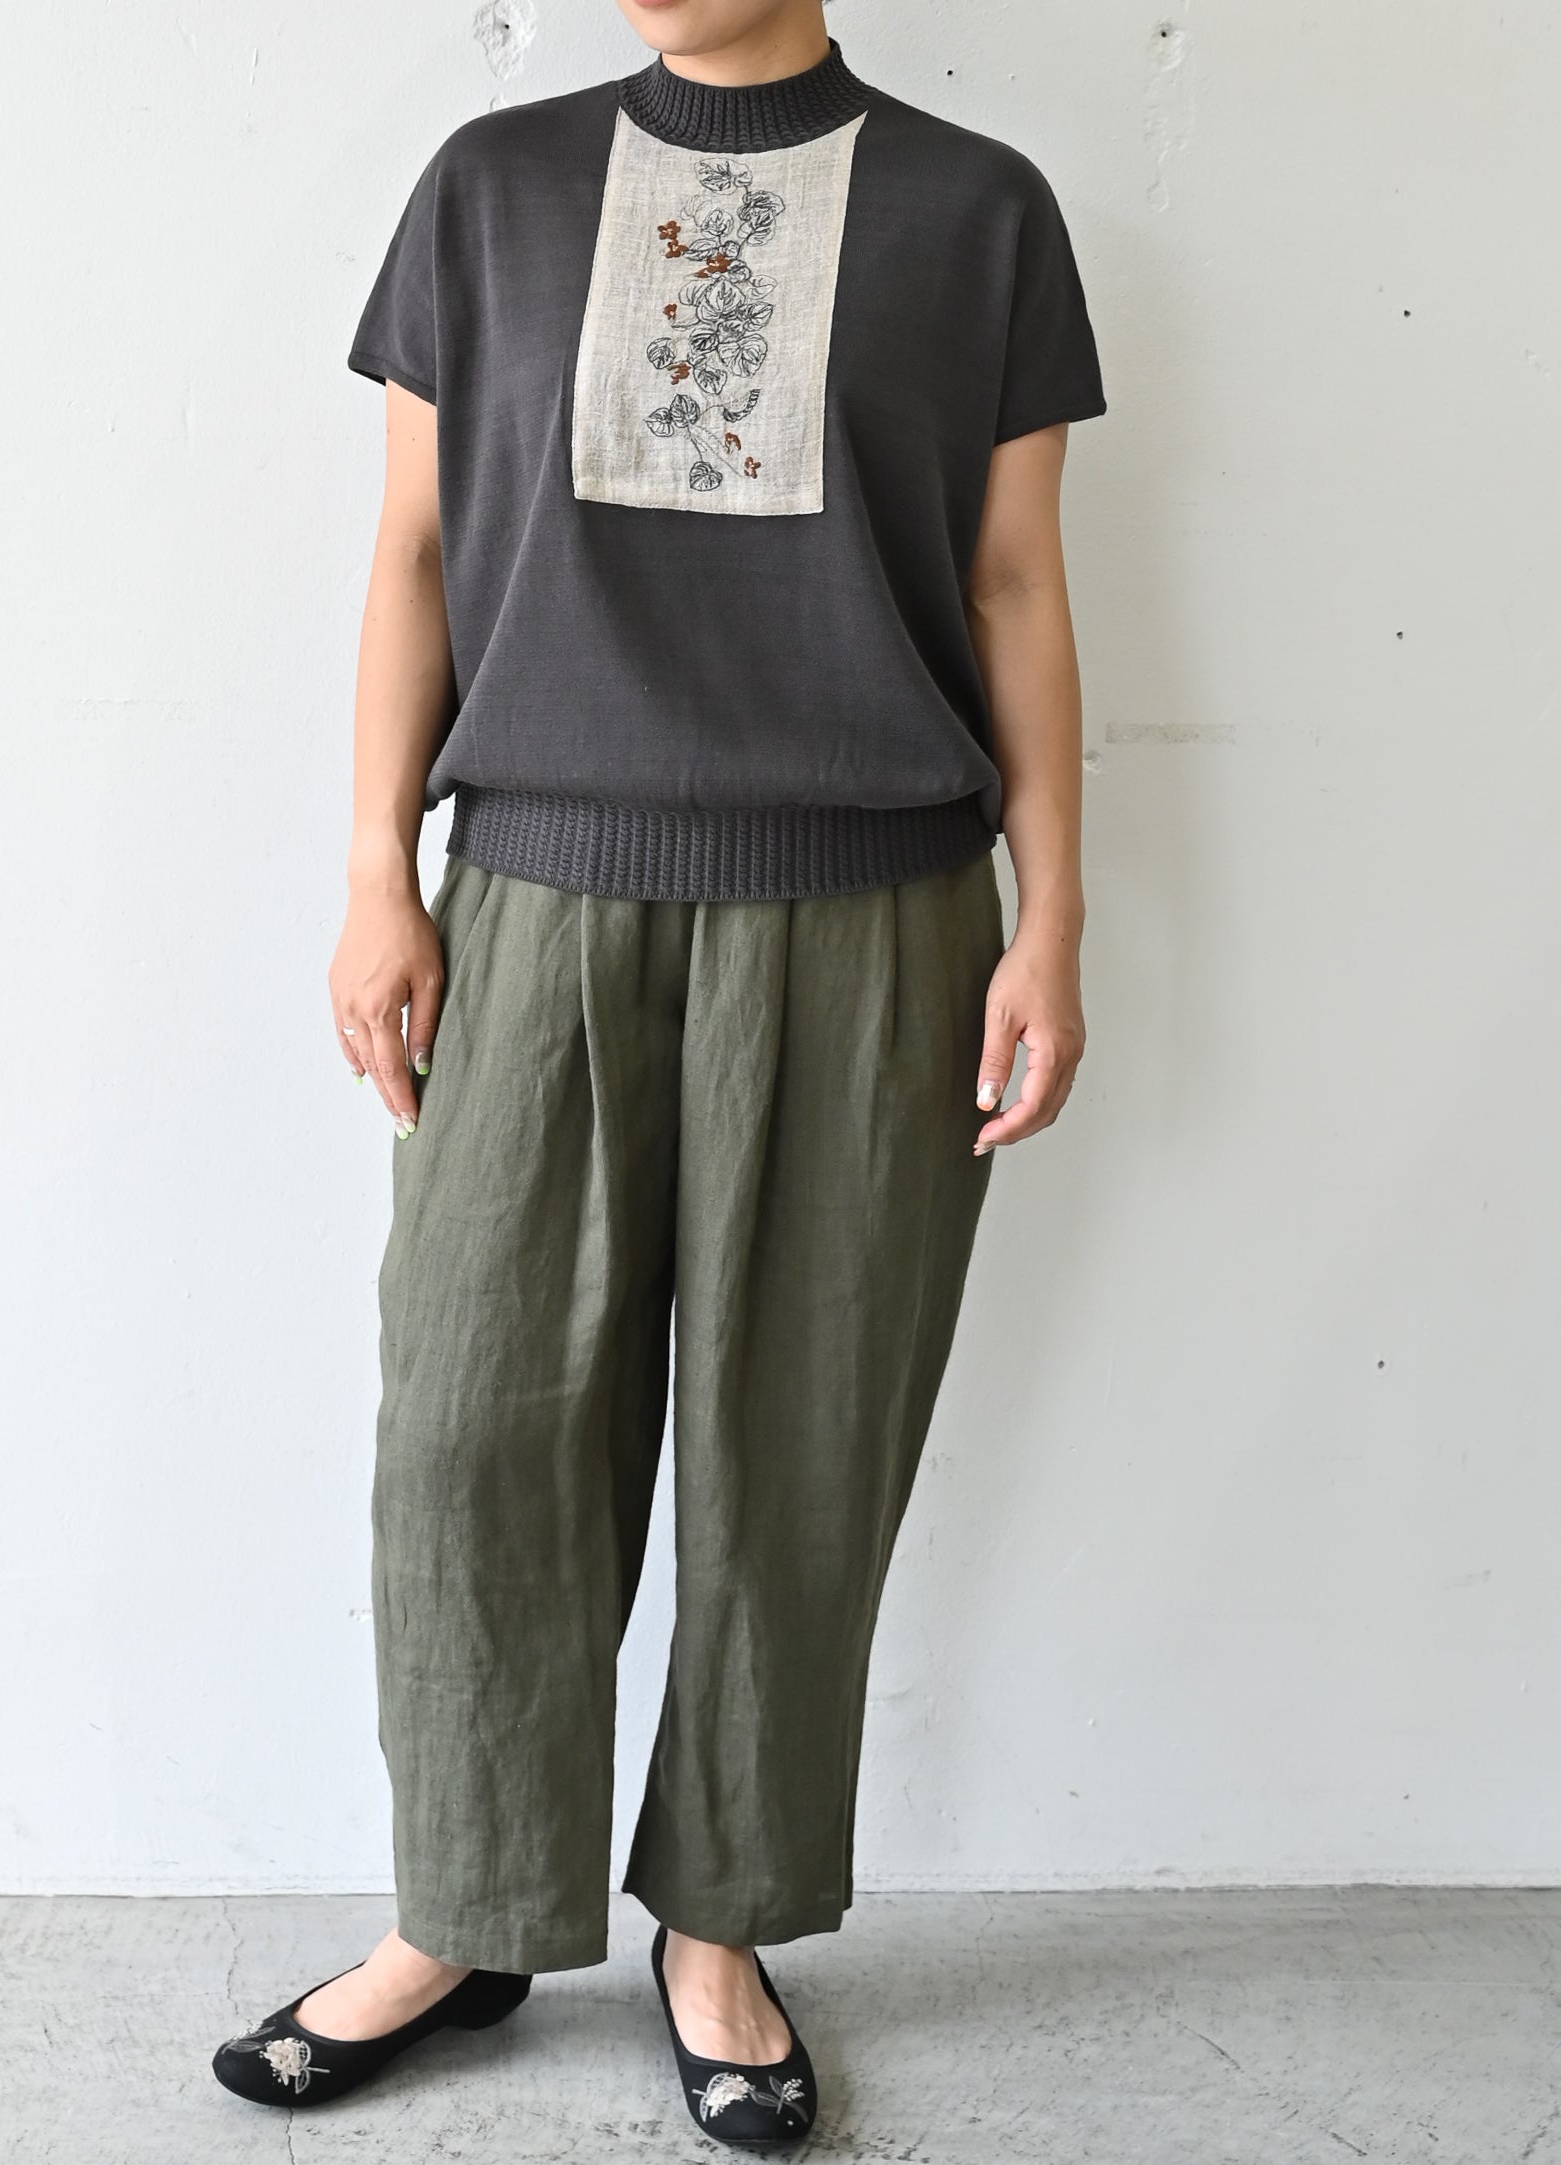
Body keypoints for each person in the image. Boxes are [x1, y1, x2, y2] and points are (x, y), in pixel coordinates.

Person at [212, 0, 1104, 2142]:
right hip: (534, 898)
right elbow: (412, 547)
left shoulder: (979, 213)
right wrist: (376, 872)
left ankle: (719, 1928)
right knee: (470, 1429)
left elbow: (1010, 579)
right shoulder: (490, 190)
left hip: (876, 921)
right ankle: (466, 1913)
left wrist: (1055, 917)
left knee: (801, 1449)